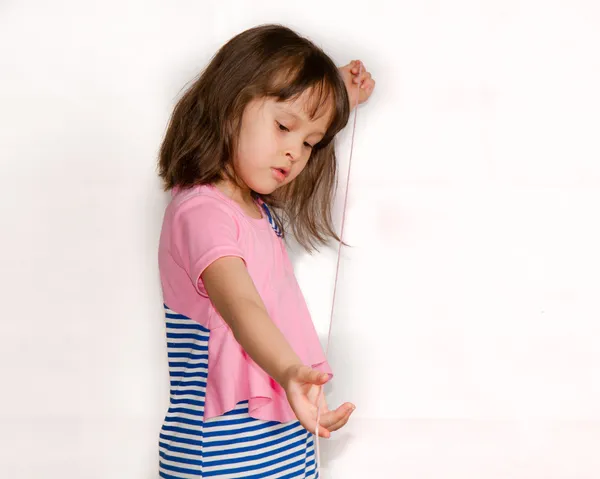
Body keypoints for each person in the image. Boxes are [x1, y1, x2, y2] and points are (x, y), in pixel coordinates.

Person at [156, 23, 375, 478]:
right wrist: (290, 370)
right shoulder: (201, 212)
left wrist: (331, 94)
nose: (295, 151)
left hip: (282, 439)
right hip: (221, 452)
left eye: (310, 143)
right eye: (283, 127)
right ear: (229, 103)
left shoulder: (253, 209)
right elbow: (242, 305)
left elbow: (289, 108)